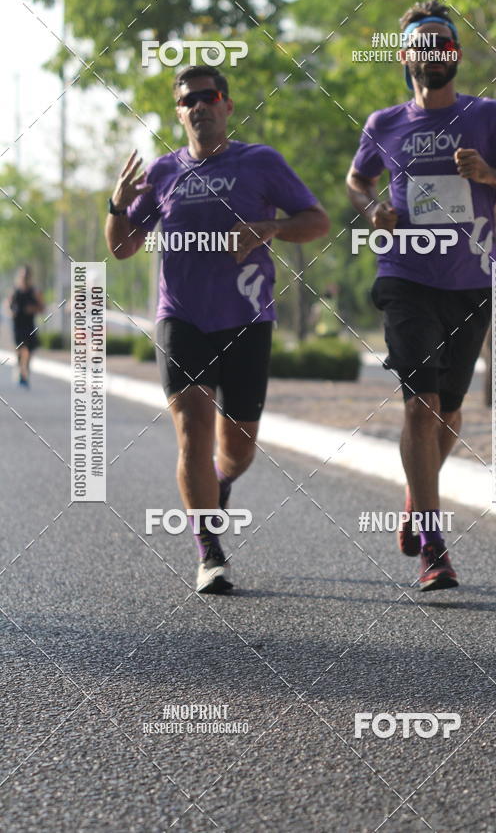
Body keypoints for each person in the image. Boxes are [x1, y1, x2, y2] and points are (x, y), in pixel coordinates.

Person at [105, 65, 329, 593]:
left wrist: (271, 227)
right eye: (190, 100)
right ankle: (209, 551)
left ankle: (221, 484)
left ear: (227, 105)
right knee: (193, 434)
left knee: (239, 447)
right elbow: (121, 246)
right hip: (182, 318)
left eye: (210, 97)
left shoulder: (261, 162)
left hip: (249, 318)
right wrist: (117, 202)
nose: (200, 106)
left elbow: (316, 221)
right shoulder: (162, 174)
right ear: (179, 112)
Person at [346, 0, 496, 591]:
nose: (433, 51)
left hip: (471, 281)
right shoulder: (384, 125)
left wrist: (492, 177)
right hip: (405, 274)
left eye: (443, 41)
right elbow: (359, 180)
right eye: (422, 42)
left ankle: (416, 495)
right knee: (419, 403)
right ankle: (434, 543)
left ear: (454, 52)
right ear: (405, 55)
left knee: (450, 412)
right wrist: (371, 208)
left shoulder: (490, 119)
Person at [8, 265, 44, 388]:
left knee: (28, 350)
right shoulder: (15, 291)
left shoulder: (34, 292)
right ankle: (19, 369)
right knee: (19, 350)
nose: (24, 278)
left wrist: (32, 309)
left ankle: (24, 373)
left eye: (26, 276)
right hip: (17, 325)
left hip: (29, 324)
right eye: (22, 276)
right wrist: (11, 312)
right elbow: (8, 306)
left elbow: (41, 307)